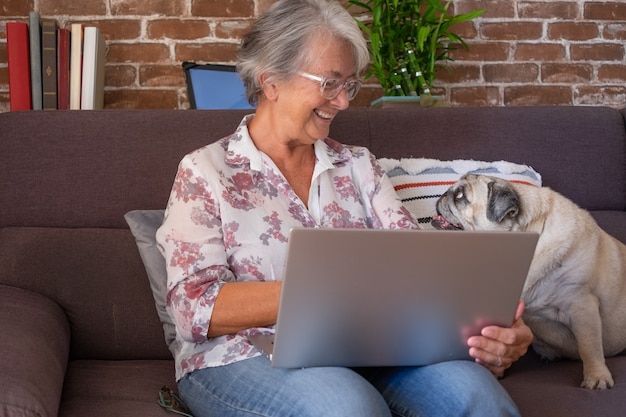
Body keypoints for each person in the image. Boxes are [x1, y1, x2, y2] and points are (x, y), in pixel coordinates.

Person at [156, 0, 533, 415]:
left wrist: (491, 329)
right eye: (330, 82)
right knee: (346, 406)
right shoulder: (206, 170)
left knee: (475, 394)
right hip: (239, 356)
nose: (343, 102)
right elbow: (194, 307)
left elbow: (416, 268)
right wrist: (326, 293)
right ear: (271, 82)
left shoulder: (358, 165)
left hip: (374, 348)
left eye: (349, 85)